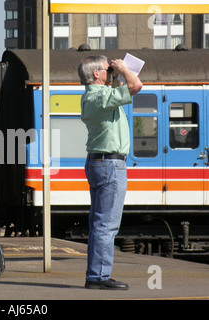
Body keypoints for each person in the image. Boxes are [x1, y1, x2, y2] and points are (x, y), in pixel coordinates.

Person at [78, 56, 143, 290]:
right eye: (107, 69)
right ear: (96, 74)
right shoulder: (101, 97)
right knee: (107, 224)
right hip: (110, 165)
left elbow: (126, 86)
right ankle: (99, 277)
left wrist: (117, 73)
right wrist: (124, 69)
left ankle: (96, 274)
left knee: (98, 223)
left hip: (98, 163)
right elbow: (136, 86)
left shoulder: (93, 97)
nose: (111, 71)